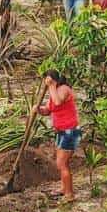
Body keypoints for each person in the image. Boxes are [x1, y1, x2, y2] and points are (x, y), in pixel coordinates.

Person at [37, 70, 79, 203]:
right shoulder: (54, 91)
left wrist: (51, 85)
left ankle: (69, 195)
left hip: (70, 131)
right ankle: (64, 188)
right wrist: (38, 109)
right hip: (61, 131)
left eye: (47, 80)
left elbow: (58, 102)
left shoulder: (64, 89)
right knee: (62, 163)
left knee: (61, 163)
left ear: (52, 80)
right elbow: (48, 110)